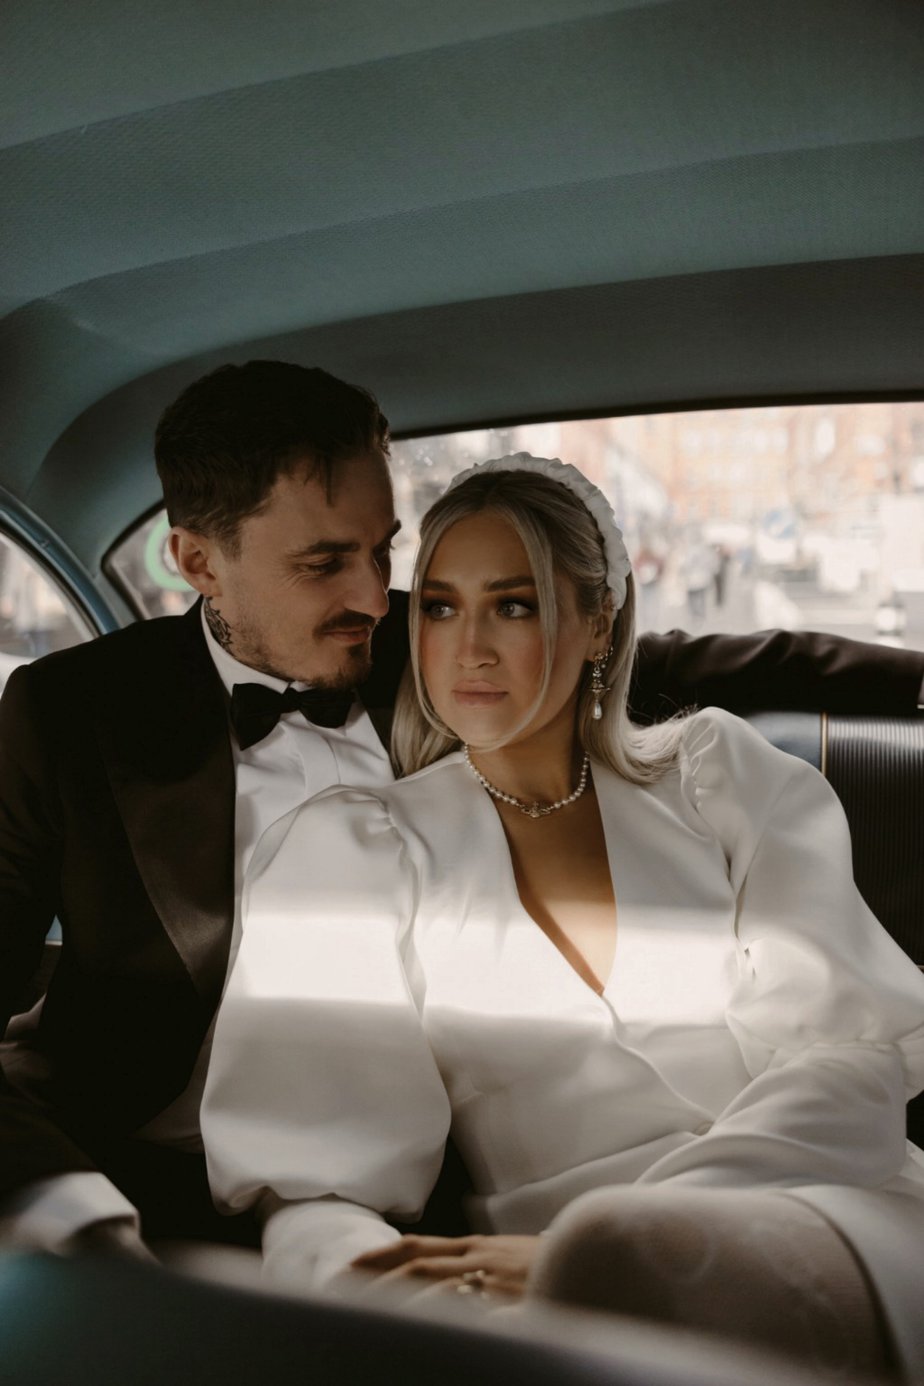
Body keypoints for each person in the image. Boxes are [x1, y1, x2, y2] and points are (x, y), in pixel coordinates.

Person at [1, 362, 923, 1265]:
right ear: (197, 560)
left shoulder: (448, 641)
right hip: (136, 1171)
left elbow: (671, 656)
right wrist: (64, 1210)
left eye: (383, 551)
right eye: (325, 562)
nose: (375, 598)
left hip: (446, 1185)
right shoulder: (69, 715)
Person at [202, 455, 924, 1378]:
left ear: (598, 625)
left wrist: (614, 1246)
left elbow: (854, 1066)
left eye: (514, 605)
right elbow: (314, 1185)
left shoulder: (715, 775)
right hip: (540, 1295)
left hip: (831, 1214)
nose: (468, 648)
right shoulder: (350, 854)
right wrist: (382, 1305)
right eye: (438, 606)